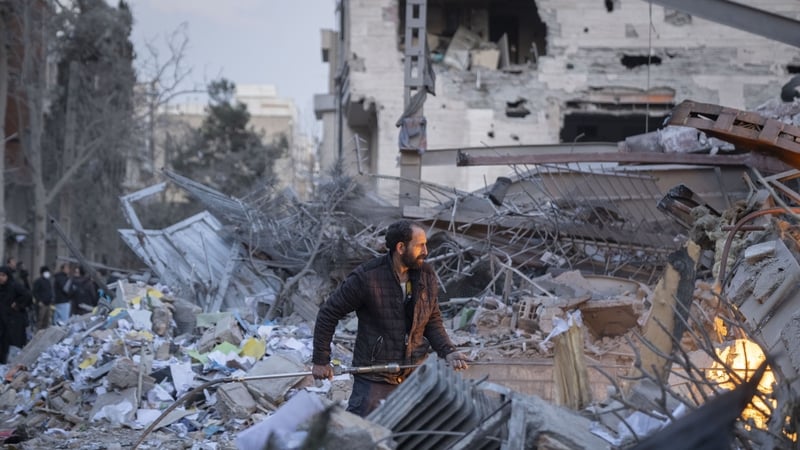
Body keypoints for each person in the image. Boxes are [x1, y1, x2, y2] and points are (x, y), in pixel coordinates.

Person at [312, 220, 469, 417]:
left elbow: (432, 319)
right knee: (363, 428)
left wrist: (448, 351)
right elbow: (328, 313)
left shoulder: (426, 274)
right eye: (420, 245)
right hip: (374, 376)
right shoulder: (367, 277)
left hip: (414, 372)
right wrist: (321, 360)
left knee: (411, 430)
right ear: (401, 248)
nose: (426, 251)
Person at [0, 265, 32, 363]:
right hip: (2, 321)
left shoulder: (14, 286)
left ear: (8, 276)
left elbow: (28, 296)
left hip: (14, 322)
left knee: (14, 344)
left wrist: (18, 304)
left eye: (3, 275)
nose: (1, 278)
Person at [32, 266, 54, 331]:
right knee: (40, 321)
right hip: (42, 304)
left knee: (46, 321)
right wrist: (39, 301)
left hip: (48, 304)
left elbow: (50, 291)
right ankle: (38, 334)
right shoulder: (38, 281)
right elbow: (34, 292)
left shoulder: (48, 281)